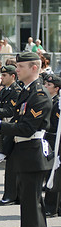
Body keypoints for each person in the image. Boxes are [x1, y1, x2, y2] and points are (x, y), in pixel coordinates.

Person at [0, 52, 52, 227]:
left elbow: (26, 128)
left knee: (32, 207)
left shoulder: (39, 94)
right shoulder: (27, 90)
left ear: (34, 68)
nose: (17, 70)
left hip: (32, 154)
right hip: (24, 154)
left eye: (21, 67)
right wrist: (5, 151)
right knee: (31, 206)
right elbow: (16, 119)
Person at [0, 65, 21, 206]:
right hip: (5, 128)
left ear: (13, 76)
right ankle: (12, 194)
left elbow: (10, 111)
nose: (2, 78)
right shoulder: (5, 90)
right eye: (1, 75)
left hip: (12, 127)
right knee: (10, 165)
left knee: (12, 165)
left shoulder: (16, 91)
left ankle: (11, 195)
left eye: (4, 76)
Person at [43, 74, 61, 218]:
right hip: (49, 140)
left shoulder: (57, 103)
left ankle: (51, 207)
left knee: (53, 175)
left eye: (49, 85)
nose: (46, 87)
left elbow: (54, 126)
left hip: (54, 141)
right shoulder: (50, 100)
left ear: (56, 88)